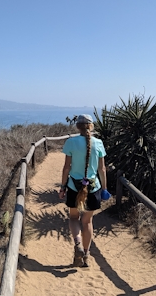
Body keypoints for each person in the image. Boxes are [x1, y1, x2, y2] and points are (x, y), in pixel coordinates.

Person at [58, 114, 108, 267]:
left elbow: (67, 167)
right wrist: (104, 189)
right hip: (93, 188)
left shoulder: (71, 142)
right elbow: (102, 169)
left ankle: (77, 242)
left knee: (73, 218)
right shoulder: (98, 143)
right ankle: (86, 255)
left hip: (74, 186)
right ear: (91, 126)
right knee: (87, 222)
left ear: (77, 127)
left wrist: (62, 187)